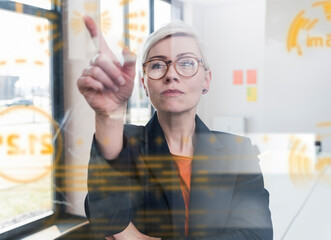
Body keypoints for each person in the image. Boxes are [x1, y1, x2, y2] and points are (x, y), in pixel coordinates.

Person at [78, 15, 273, 240]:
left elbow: (257, 235)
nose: (171, 75)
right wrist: (108, 117)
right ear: (144, 82)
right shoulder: (124, 144)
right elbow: (105, 215)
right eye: (158, 65)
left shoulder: (238, 151)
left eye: (187, 63)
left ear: (206, 80)